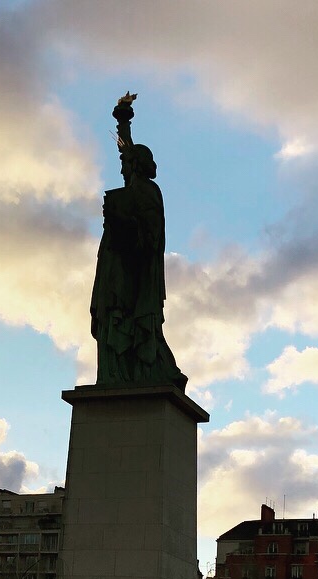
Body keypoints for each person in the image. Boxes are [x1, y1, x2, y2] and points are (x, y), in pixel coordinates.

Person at [90, 94, 187, 391]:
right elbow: (125, 149)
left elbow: (150, 238)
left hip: (135, 275)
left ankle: (137, 371)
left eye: (126, 164)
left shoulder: (147, 191)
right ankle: (117, 375)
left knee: (126, 322)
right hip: (115, 267)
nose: (122, 168)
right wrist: (123, 121)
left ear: (136, 166)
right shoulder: (132, 189)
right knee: (112, 320)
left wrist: (122, 222)